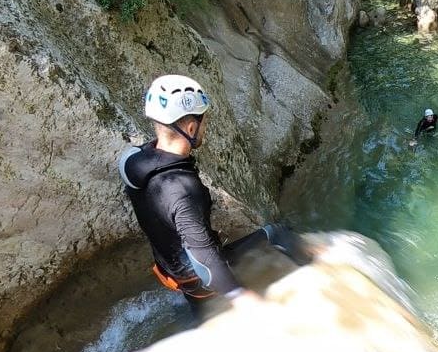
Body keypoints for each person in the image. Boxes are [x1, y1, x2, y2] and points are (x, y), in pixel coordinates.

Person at [118, 74, 311, 316]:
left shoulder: (132, 160)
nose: (205, 127)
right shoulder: (183, 190)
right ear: (191, 128)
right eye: (204, 121)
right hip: (198, 279)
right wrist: (241, 296)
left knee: (203, 314)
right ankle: (317, 268)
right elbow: (205, 261)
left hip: (171, 270)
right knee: (277, 232)